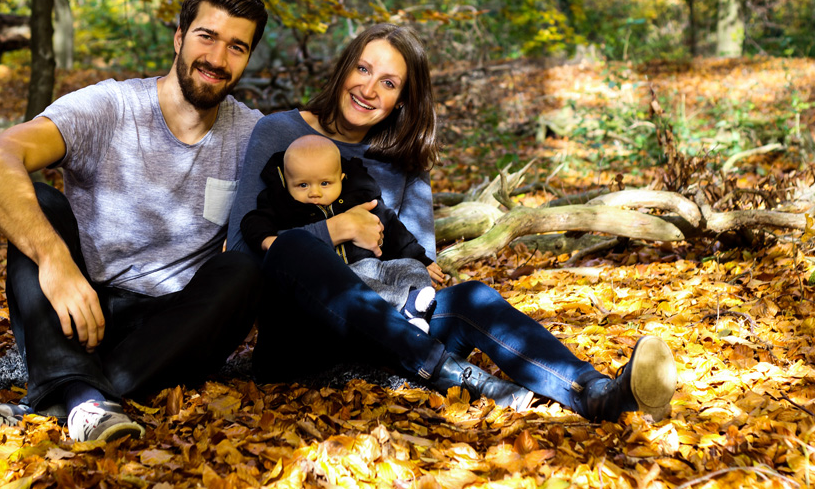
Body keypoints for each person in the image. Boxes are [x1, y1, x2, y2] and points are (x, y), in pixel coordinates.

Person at [227, 23, 678, 422]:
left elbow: (419, 274)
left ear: (403, 98)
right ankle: (451, 373)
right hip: (300, 334)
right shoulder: (278, 133)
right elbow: (243, 255)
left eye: (388, 82)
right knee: (293, 247)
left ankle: (595, 393)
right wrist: (333, 230)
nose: (369, 89)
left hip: (385, 329)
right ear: (344, 68)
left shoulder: (401, 159)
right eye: (363, 70)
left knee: (474, 298)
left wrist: (416, 266)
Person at [0, 0, 269, 442]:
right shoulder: (110, 106)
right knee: (40, 202)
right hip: (78, 311)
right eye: (206, 37)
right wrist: (55, 261)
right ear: (179, 37)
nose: (217, 59)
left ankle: (67, 393)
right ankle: (83, 394)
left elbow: (320, 174)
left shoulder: (254, 135)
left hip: (172, 330)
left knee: (241, 270)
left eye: (237, 47)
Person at [241, 134, 438, 332]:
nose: (314, 193)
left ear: (341, 179)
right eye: (303, 185)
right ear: (287, 183)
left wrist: (420, 258)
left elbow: (392, 228)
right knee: (362, 289)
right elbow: (253, 221)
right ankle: (404, 311)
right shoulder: (283, 204)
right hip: (335, 276)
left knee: (411, 268)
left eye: (325, 183)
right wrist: (267, 240)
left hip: (375, 265)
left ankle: (416, 310)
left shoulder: (359, 197)